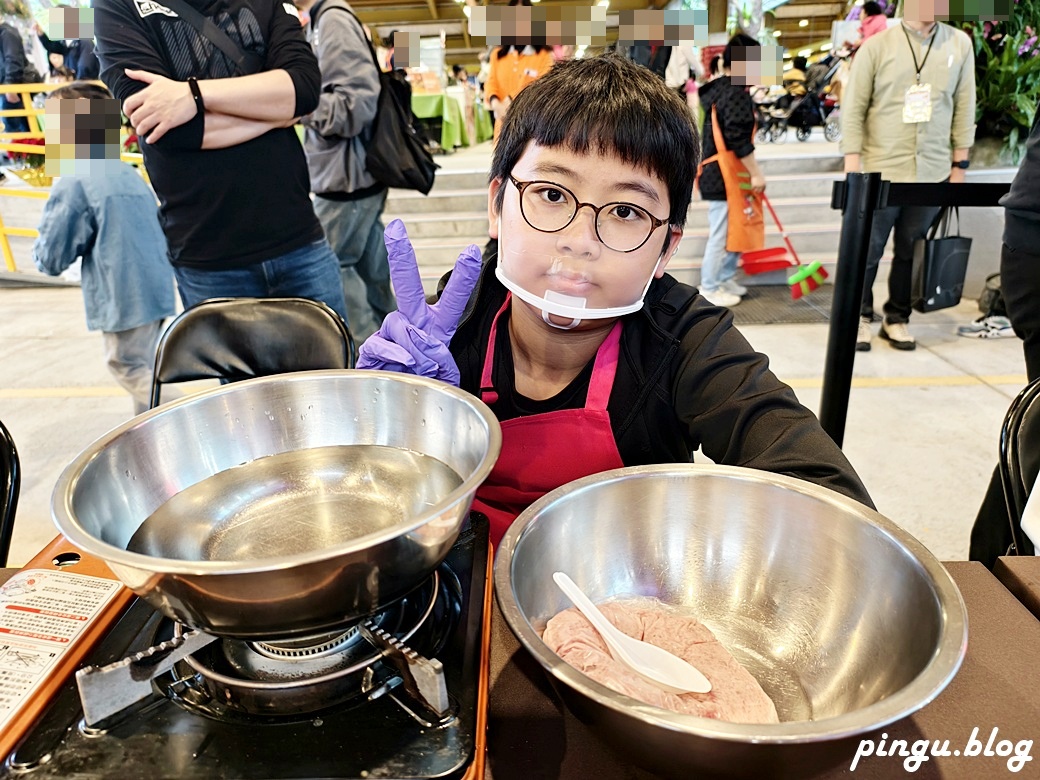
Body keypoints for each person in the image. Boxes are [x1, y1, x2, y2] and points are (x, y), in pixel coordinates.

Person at [356, 52, 873, 547]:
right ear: (497, 205)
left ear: (667, 247)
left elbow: (834, 504)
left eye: (626, 211)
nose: (580, 239)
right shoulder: (454, 320)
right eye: (553, 194)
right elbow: (371, 502)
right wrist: (399, 418)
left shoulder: (686, 339)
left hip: (624, 600)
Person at [92, 0, 349, 324]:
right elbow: (169, 129)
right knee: (243, 378)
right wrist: (276, 111)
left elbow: (304, 88)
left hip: (299, 241)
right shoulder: (116, 6)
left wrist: (194, 96)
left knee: (332, 370)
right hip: (209, 259)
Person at [32, 82, 177, 416]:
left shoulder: (76, 178)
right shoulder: (127, 173)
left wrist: (41, 257)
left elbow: (53, 254)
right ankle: (151, 436)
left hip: (122, 294)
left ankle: (199, 415)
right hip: (155, 290)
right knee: (147, 366)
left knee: (128, 367)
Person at [841, 3, 975, 351]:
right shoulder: (877, 46)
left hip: (931, 171)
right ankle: (858, 317)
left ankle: (897, 318)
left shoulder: (959, 44)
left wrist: (960, 166)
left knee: (911, 251)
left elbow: (964, 106)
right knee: (867, 250)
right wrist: (852, 164)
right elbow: (854, 106)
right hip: (879, 170)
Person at [296, 0, 395, 342]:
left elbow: (355, 106)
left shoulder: (332, 21)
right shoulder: (323, 21)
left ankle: (367, 358)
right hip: (351, 176)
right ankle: (395, 345)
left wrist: (296, 101)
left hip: (346, 179)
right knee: (370, 269)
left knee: (333, 269)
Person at [969, 104, 1040, 567]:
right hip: (1035, 241)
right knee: (1034, 442)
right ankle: (996, 575)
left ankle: (994, 574)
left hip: (1029, 239)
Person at [695, 33, 766, 308]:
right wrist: (757, 174)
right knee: (723, 233)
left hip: (719, 173)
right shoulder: (735, 93)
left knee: (734, 229)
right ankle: (710, 286)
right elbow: (737, 140)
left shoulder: (720, 89)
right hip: (724, 176)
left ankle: (723, 278)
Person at [484, 0, 553, 143]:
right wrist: (496, 105)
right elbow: (491, 83)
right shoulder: (497, 55)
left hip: (531, 129)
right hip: (502, 127)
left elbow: (540, 87)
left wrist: (508, 102)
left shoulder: (544, 56)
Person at [34, 8, 100, 82]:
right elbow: (52, 47)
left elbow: (84, 66)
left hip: (86, 84)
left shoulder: (85, 41)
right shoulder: (65, 42)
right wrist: (41, 35)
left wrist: (77, 83)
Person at [0, 21, 35, 134]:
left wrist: (10, 84)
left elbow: (13, 59)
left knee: (16, 131)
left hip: (13, 89)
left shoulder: (7, 33)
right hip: (9, 88)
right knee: (20, 128)